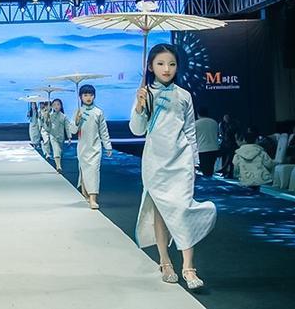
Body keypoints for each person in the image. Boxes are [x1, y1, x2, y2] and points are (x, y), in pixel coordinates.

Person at [130, 43, 216, 291]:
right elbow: (137, 130)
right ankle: (165, 262)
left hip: (181, 162)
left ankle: (189, 267)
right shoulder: (145, 93)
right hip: (155, 162)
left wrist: (194, 163)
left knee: (182, 210)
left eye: (171, 64)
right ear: (150, 66)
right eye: (160, 64)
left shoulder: (184, 95)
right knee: (161, 212)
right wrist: (139, 106)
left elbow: (190, 131)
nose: (166, 69)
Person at [70, 85, 112, 210]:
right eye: (85, 95)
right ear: (80, 97)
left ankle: (93, 199)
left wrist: (108, 146)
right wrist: (76, 121)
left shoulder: (98, 112)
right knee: (84, 170)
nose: (88, 97)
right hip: (83, 147)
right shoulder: (77, 112)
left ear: (94, 96)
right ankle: (86, 193)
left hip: (95, 148)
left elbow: (103, 130)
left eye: (91, 95)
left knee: (94, 171)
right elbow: (72, 131)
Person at [42, 98, 73, 173]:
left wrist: (69, 137)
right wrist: (46, 120)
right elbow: (47, 129)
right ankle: (58, 166)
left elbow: (67, 127)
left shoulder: (64, 116)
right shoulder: (50, 116)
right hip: (53, 136)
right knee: (56, 149)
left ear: (61, 106)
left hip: (61, 137)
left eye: (58, 104)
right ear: (52, 106)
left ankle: (58, 163)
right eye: (54, 105)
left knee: (60, 150)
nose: (56, 106)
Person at [195, 107, 220, 177]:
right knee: (210, 169)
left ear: (198, 114)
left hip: (202, 149)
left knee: (205, 170)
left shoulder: (196, 123)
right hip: (214, 148)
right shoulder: (214, 122)